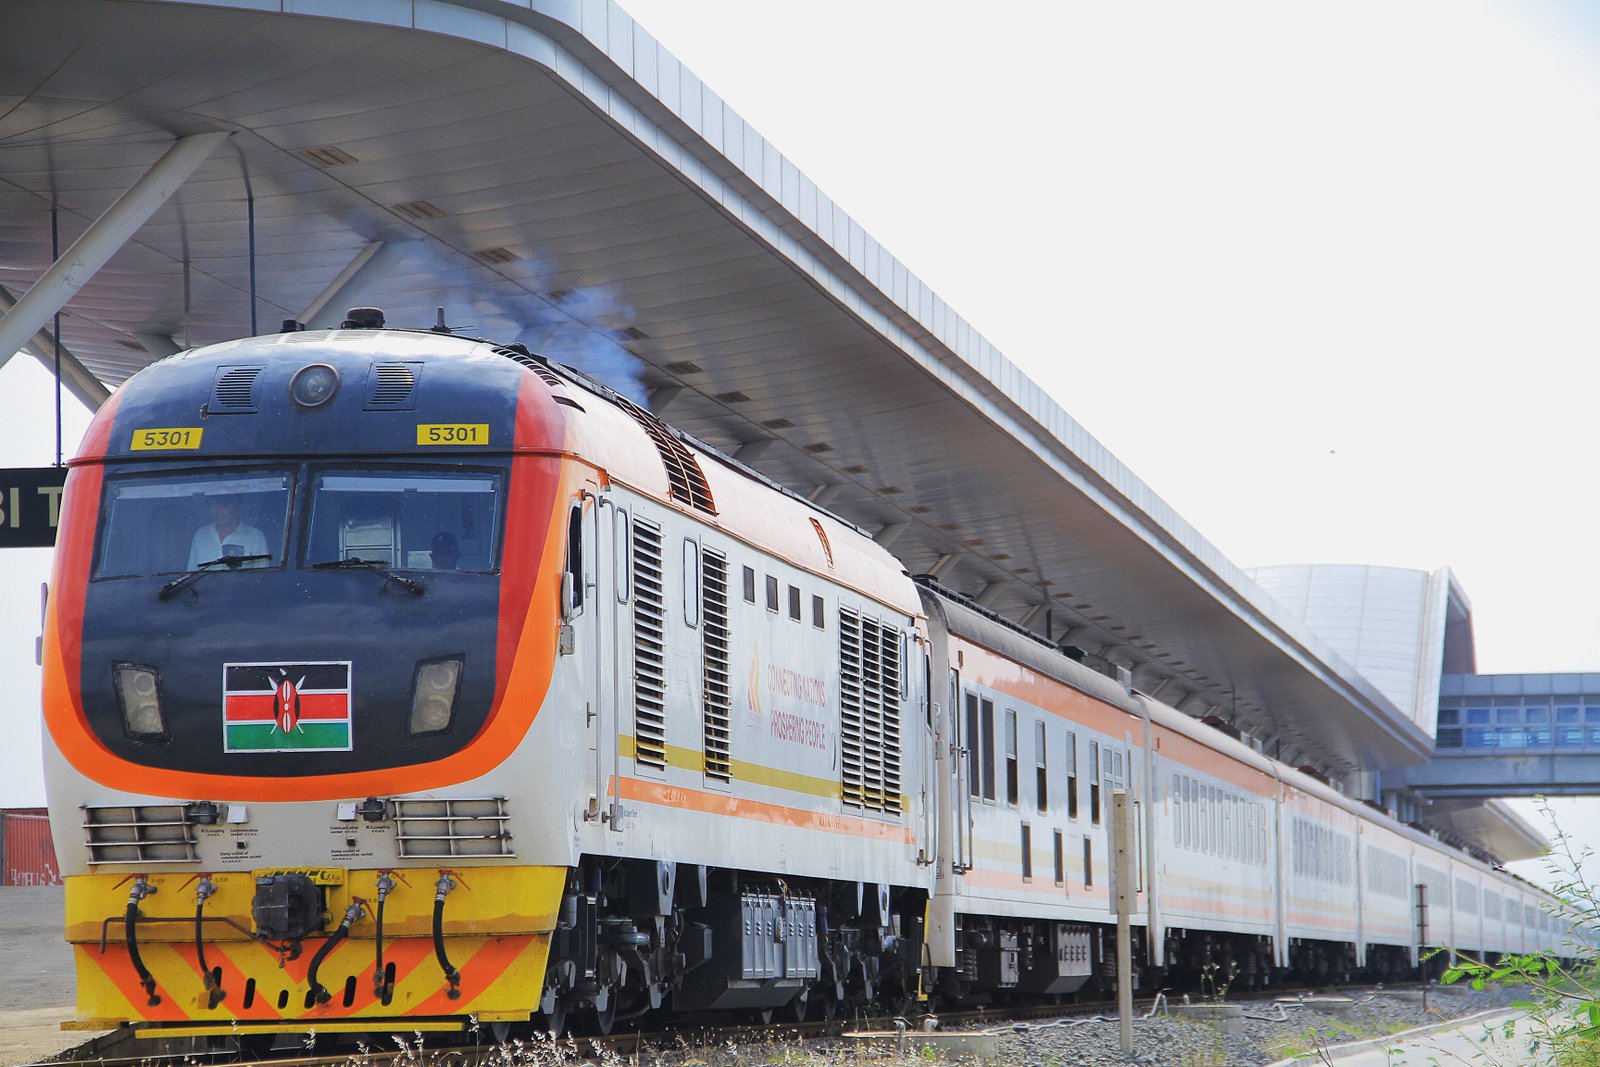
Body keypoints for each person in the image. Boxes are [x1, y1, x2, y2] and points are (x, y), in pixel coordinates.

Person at [188, 497, 269, 569]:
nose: (217, 510)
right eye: (214, 505)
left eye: (224, 506)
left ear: (239, 509)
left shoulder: (255, 537)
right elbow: (192, 572)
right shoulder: (201, 535)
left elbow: (261, 577)